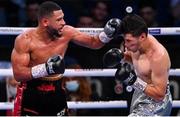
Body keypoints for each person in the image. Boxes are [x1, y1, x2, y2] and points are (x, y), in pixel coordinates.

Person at [11, 1, 121, 116]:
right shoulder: (25, 40)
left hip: (57, 91)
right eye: (59, 20)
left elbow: (94, 43)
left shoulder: (67, 32)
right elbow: (18, 74)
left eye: (63, 18)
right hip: (31, 93)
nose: (63, 22)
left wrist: (107, 34)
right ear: (45, 22)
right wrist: (45, 68)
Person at [103, 14, 172, 116]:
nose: (125, 45)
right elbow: (138, 62)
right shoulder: (135, 44)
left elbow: (159, 95)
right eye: (125, 40)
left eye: (129, 41)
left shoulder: (158, 56)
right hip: (140, 94)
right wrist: (121, 57)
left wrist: (133, 81)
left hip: (157, 104)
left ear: (142, 37)